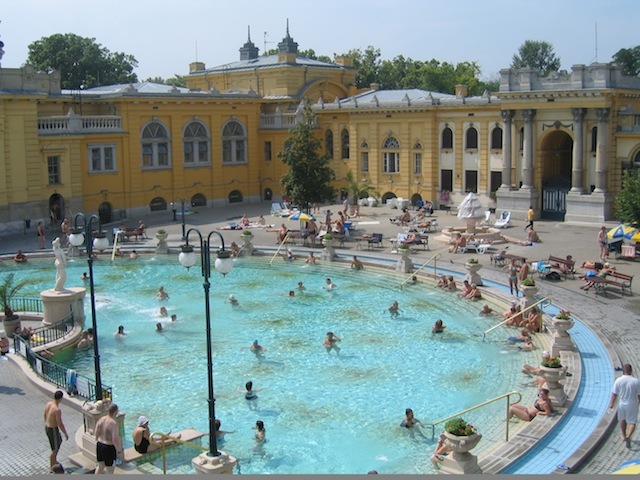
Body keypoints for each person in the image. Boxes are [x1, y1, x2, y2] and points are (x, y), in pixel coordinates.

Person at [608, 363, 640, 448]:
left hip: (622, 404)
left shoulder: (618, 380)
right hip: (632, 404)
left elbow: (614, 394)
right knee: (632, 422)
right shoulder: (636, 381)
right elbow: (639, 395)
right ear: (631, 371)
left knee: (622, 420)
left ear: (623, 371)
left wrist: (611, 404)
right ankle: (629, 436)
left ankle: (623, 435)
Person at [94, 403, 123, 475]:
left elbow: (96, 433)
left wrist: (97, 439)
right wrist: (119, 450)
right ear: (115, 412)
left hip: (100, 445)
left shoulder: (101, 419)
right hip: (108, 447)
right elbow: (115, 439)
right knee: (110, 471)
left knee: (100, 466)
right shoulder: (113, 424)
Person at [44, 390, 69, 471]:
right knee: (55, 449)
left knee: (58, 442)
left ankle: (54, 460)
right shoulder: (57, 410)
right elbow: (60, 423)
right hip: (53, 430)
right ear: (61, 399)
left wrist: (47, 422)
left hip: (47, 427)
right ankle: (52, 467)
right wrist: (65, 433)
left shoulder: (49, 404)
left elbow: (44, 415)